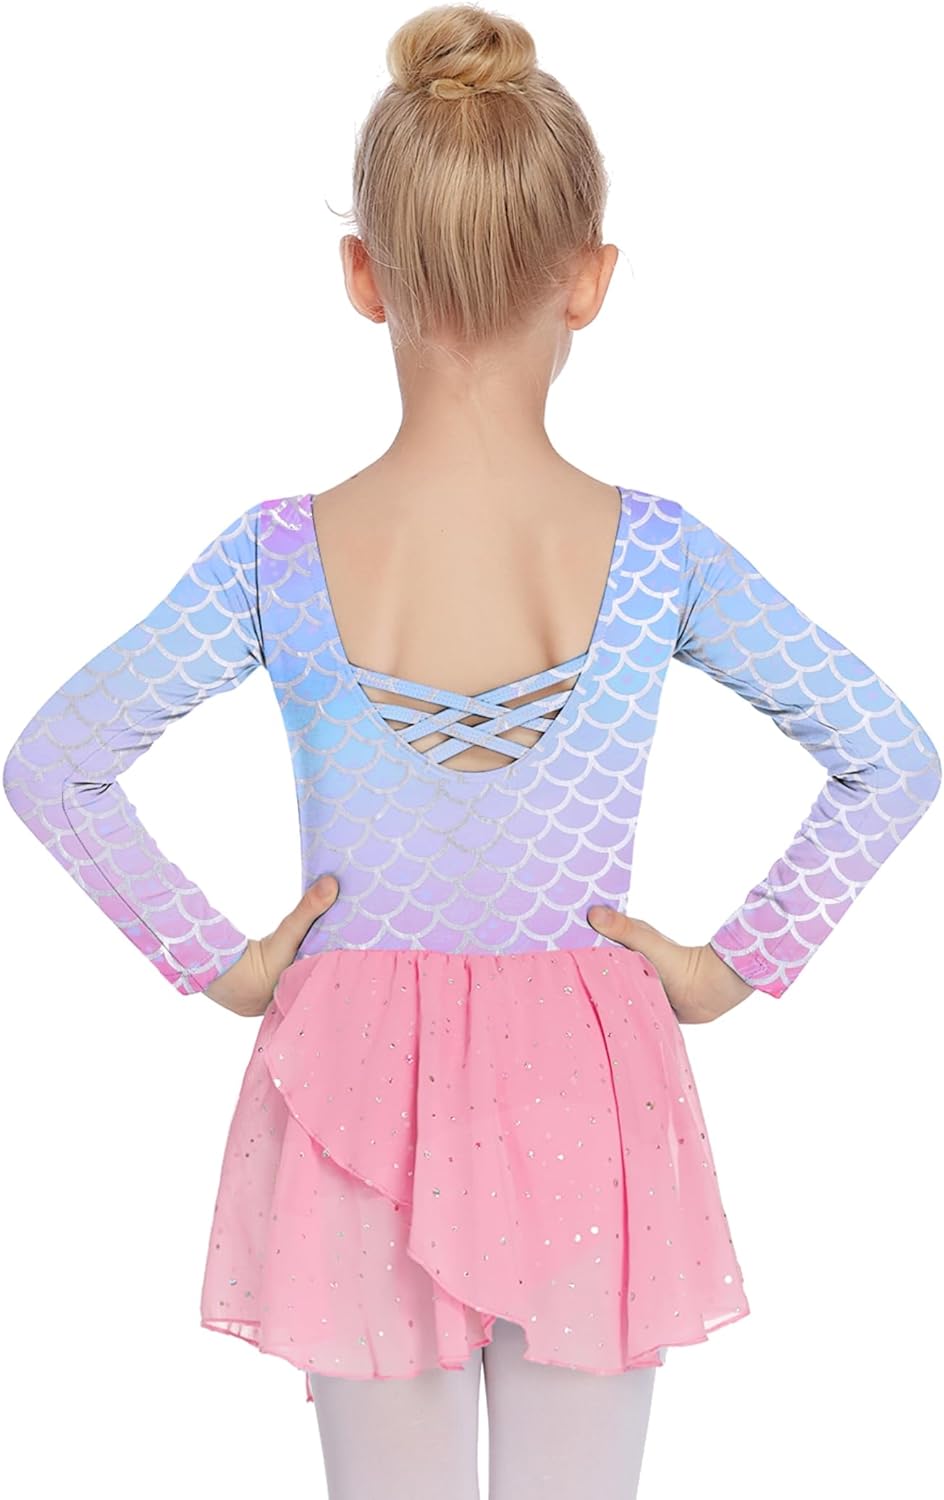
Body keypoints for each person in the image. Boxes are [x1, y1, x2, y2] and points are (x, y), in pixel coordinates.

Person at [3, 5, 940, 1498]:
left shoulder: (276, 557)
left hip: (351, 1074)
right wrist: (733, 965)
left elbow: (55, 762)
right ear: (592, 278)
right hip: (590, 1075)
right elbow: (891, 753)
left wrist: (220, 961)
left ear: (363, 277)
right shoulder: (660, 555)